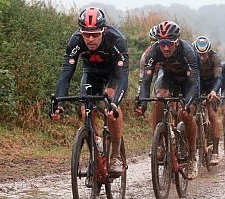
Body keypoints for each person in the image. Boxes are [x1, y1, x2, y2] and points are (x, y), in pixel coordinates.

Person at [51, 7, 129, 174]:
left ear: (104, 30)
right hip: (91, 73)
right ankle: (96, 146)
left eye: (95, 34)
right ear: (81, 32)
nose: (91, 38)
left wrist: (115, 104)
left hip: (113, 74)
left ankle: (115, 154)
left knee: (110, 100)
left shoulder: (117, 40)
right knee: (86, 110)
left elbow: (123, 77)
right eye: (86, 34)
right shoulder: (75, 41)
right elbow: (66, 74)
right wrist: (58, 102)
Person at [135, 21, 199, 179]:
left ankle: (192, 155)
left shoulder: (188, 51)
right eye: (162, 43)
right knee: (159, 97)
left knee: (186, 113)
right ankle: (160, 142)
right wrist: (142, 102)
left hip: (187, 80)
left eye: (169, 44)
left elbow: (194, 83)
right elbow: (146, 81)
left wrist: (189, 102)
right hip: (168, 76)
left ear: (177, 41)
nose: (165, 48)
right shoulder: (154, 52)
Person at [193, 36, 222, 165]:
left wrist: (214, 91)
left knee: (212, 115)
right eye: (199, 54)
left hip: (212, 85)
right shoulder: (191, 56)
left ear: (209, 52)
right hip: (197, 84)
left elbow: (219, 78)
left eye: (204, 54)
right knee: (190, 112)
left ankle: (215, 151)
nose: (201, 57)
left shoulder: (215, 57)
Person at [137, 26, 159, 97]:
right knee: (155, 95)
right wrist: (140, 96)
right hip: (154, 72)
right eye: (152, 40)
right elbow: (142, 79)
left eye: (157, 41)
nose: (154, 44)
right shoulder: (146, 55)